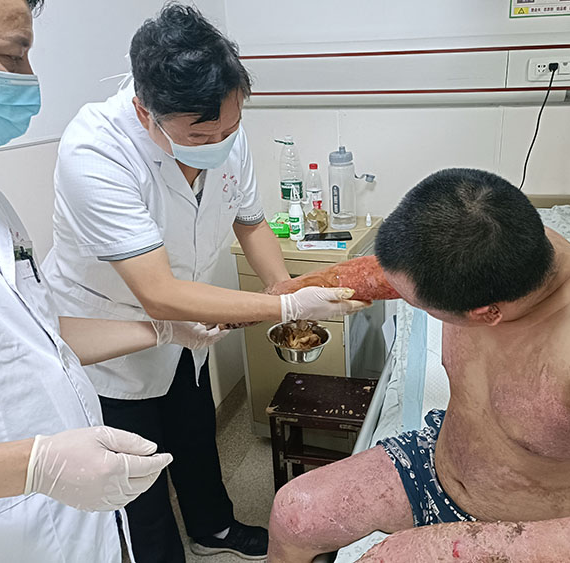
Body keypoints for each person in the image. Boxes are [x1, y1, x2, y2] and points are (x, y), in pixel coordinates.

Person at [41, 4, 365, 561]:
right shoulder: (96, 151)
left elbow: (251, 221)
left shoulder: (224, 129)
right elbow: (158, 293)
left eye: (230, 127)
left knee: (195, 436)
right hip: (109, 339)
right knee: (134, 476)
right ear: (145, 111)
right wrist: (287, 309)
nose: (220, 140)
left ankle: (213, 528)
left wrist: (281, 284)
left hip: (187, 329)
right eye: (201, 133)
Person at [266, 168, 570, 562]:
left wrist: (442, 548)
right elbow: (391, 274)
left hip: (536, 533)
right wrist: (285, 298)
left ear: (487, 315)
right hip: (440, 465)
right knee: (293, 513)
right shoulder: (486, 244)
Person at [0, 0, 231, 561]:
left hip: (60, 492)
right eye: (11, 58)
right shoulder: (96, 146)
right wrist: (35, 465)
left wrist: (162, 332)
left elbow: (39, 335)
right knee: (148, 520)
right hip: (5, 515)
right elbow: (157, 289)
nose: (29, 80)